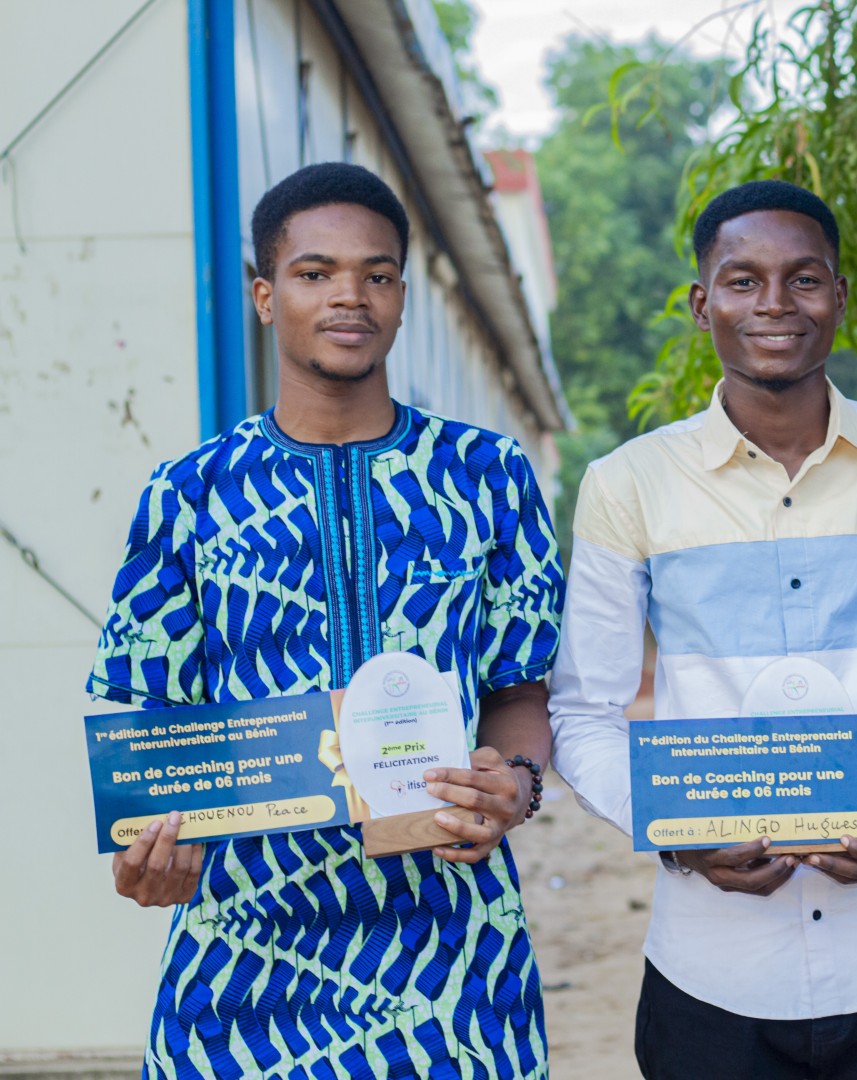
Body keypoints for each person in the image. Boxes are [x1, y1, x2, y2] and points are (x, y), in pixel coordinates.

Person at [88, 163, 562, 1077]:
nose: (351, 296)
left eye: (378, 274)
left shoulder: (486, 475)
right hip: (242, 957)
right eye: (315, 273)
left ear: (400, 297)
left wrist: (520, 786)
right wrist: (146, 848)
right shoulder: (189, 494)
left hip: (452, 950)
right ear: (266, 296)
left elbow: (518, 686)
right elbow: (143, 722)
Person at [548, 179, 857, 1079]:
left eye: (804, 280)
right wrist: (672, 829)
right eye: (742, 280)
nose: (774, 304)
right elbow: (584, 713)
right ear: (700, 304)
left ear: (840, 298)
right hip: (711, 975)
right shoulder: (629, 484)